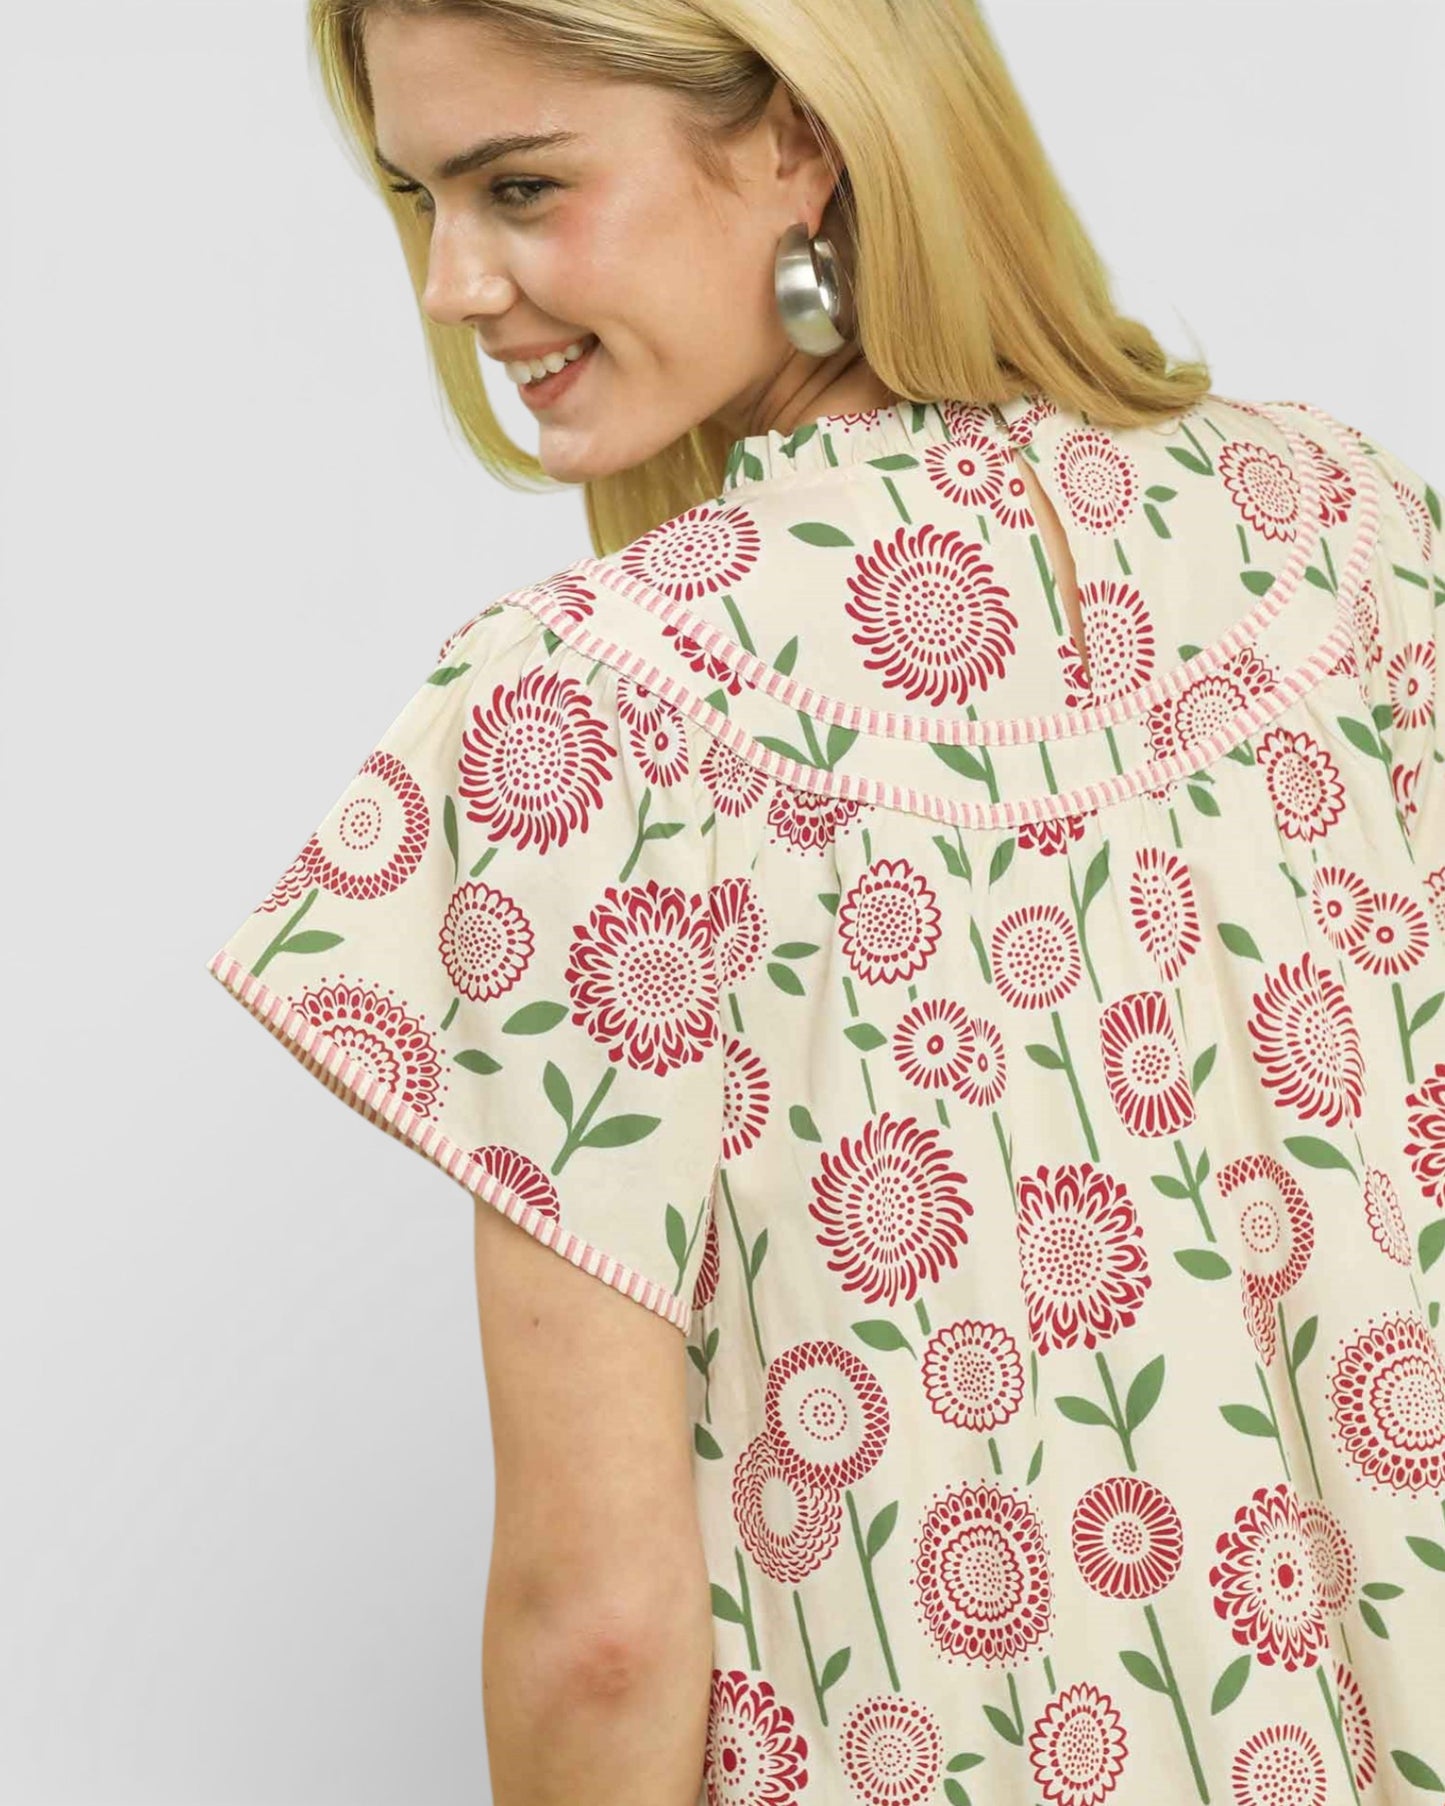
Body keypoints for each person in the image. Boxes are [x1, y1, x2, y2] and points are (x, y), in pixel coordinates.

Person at [206, 2, 1445, 1801]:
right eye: (421, 198)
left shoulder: (594, 708)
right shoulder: (1343, 530)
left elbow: (600, 1623)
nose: (452, 286)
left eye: (521, 186)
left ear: (798, 138)